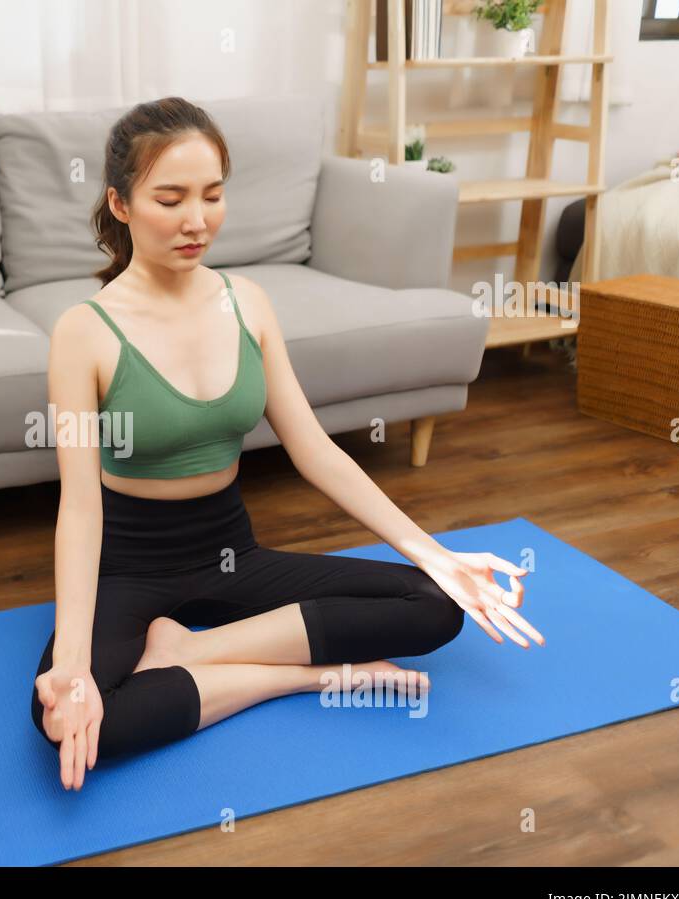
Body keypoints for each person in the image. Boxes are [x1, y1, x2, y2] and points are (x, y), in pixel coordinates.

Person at [30, 96, 544, 791]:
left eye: (212, 195)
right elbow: (81, 507)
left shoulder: (248, 303)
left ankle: (194, 649)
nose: (196, 220)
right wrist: (70, 661)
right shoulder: (82, 332)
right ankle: (300, 678)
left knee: (435, 604)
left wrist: (436, 553)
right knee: (68, 718)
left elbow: (316, 450)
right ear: (120, 205)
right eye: (170, 198)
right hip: (129, 565)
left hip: (229, 552)